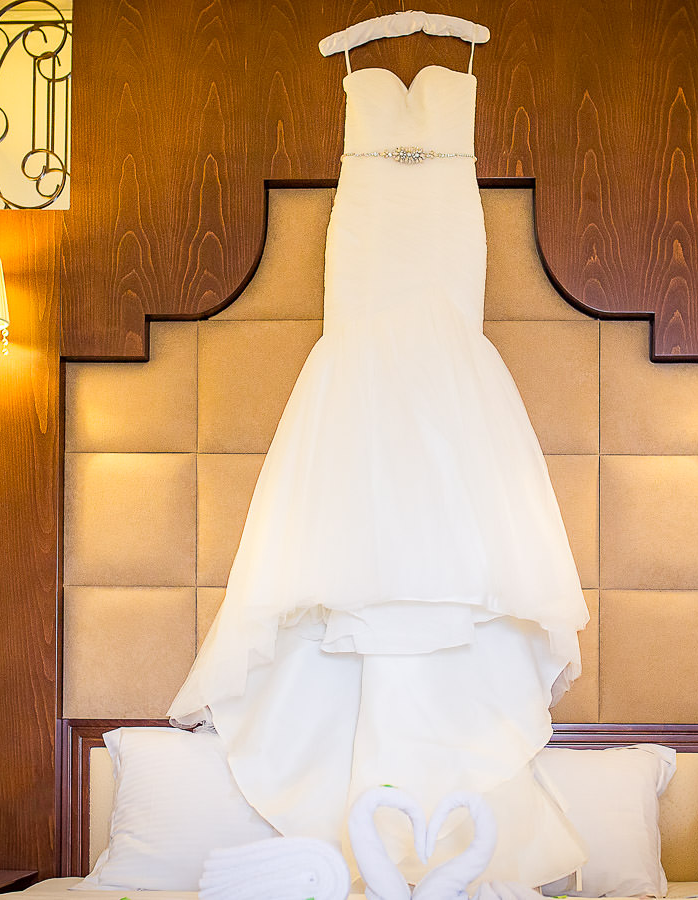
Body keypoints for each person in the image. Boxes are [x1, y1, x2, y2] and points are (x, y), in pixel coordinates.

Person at [167, 11, 588, 889]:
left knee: (443, 495)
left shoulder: (464, 62)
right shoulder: (356, 70)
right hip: (362, 301)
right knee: (357, 512)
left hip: (445, 303)